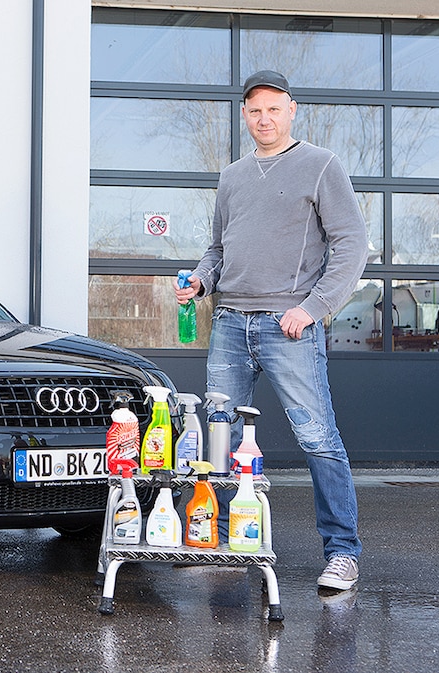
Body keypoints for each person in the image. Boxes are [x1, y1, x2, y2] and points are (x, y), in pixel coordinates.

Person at [174, 70, 367, 592]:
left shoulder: (321, 165)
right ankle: (217, 541)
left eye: (274, 109)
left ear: (292, 110)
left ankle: (343, 553)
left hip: (290, 327)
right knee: (222, 438)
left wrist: (316, 306)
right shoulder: (231, 176)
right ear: (245, 115)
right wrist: (199, 280)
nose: (265, 119)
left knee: (318, 437)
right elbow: (218, 249)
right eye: (255, 111)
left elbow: (350, 244)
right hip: (229, 324)